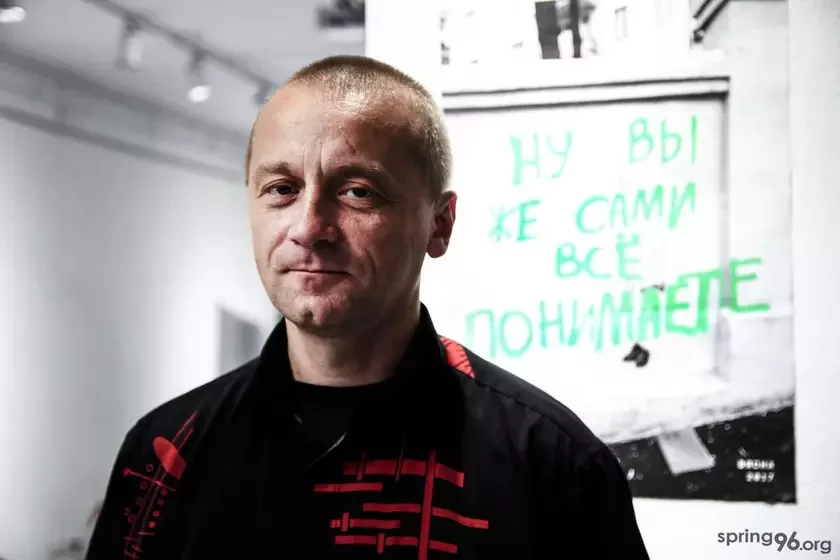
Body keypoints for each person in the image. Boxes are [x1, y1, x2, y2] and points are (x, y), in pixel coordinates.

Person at [85, 55, 650, 559]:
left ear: (439, 224)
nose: (309, 227)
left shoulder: (553, 467)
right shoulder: (164, 456)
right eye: (281, 189)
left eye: (357, 191)